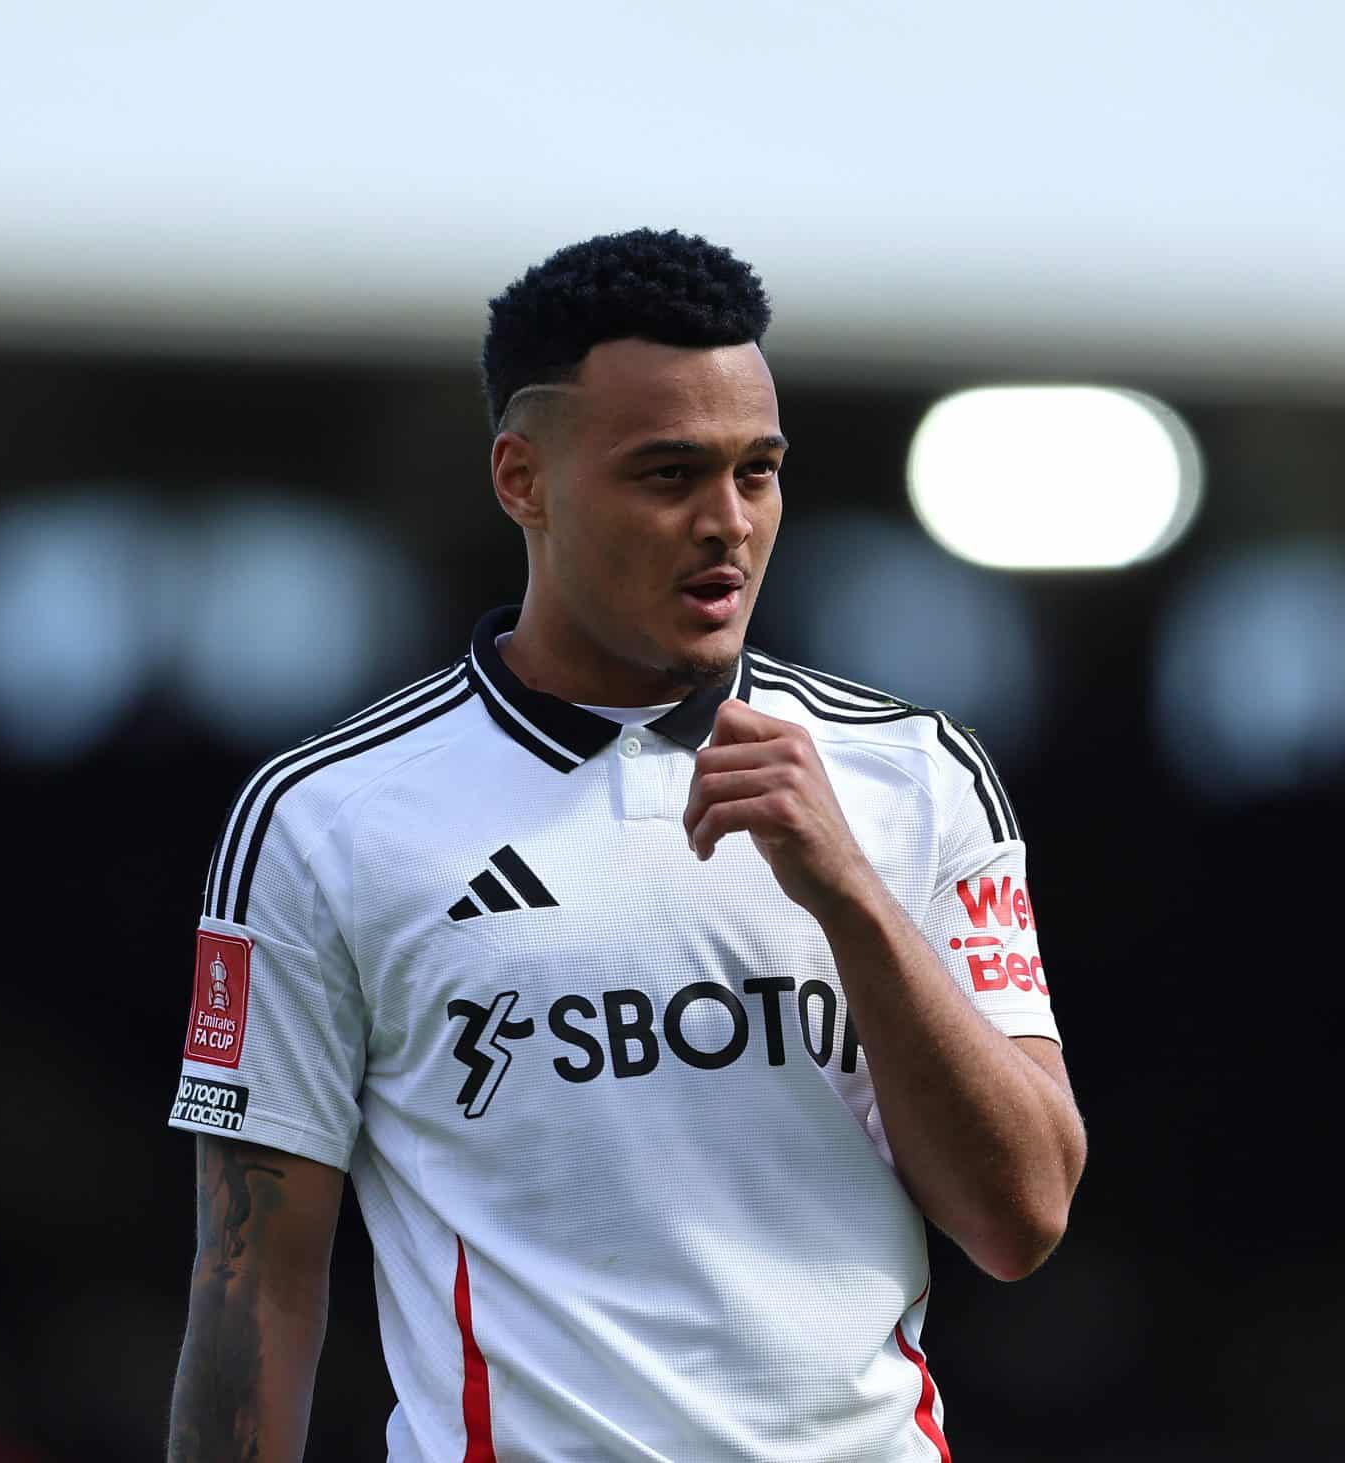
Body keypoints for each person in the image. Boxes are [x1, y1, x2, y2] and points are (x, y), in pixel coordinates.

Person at [165, 228, 1086, 1462]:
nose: (727, 524)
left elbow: (1021, 1216)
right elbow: (254, 1292)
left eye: (757, 472)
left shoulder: (909, 778)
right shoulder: (328, 819)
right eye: (667, 475)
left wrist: (849, 898)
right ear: (520, 478)